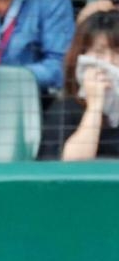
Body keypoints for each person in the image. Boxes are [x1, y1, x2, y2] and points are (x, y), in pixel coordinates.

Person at [40, 11, 119, 160]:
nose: (109, 61)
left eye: (117, 52)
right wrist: (95, 106)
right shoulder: (64, 110)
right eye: (99, 52)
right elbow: (70, 167)